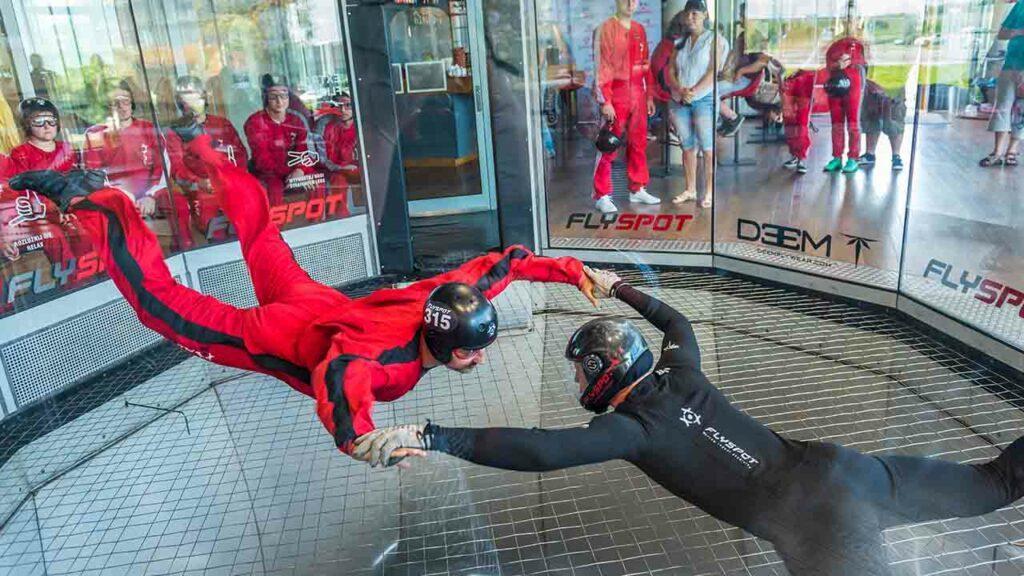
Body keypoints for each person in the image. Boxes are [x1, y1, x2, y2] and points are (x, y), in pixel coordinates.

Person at [360, 267, 1024, 575]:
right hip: (845, 471)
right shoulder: (682, 371)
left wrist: (432, 435)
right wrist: (619, 287)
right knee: (993, 486)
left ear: (607, 374)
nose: (578, 386)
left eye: (582, 373)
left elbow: (539, 451)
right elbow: (677, 321)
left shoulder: (629, 430)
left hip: (819, 528)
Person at [8, 125, 599, 461]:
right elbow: (342, 376)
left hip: (310, 300)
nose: (480, 357)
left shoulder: (433, 299)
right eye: (472, 351)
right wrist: (359, 436)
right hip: (274, 334)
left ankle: (204, 149)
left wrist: (569, 269)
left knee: (259, 231)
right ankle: (98, 199)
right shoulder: (390, 364)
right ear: (443, 347)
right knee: (155, 301)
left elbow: (499, 267)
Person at [591, 0, 661, 214]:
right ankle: (601, 194)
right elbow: (602, 66)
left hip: (637, 94)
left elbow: (645, 65)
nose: (631, 3)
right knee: (608, 145)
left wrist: (649, 96)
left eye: (635, 0)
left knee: (638, 143)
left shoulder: (640, 29)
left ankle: (637, 187)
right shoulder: (606, 29)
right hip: (616, 93)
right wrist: (606, 101)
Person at [164, 75, 249, 244]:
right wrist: (200, 182)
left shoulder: (222, 124)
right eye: (185, 96)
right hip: (202, 192)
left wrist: (233, 178)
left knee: (248, 222)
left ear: (204, 97)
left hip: (231, 185)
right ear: (180, 102)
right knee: (212, 229)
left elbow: (241, 155)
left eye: (195, 95)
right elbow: (178, 169)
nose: (192, 101)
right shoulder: (175, 132)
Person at [667, 0, 728, 208]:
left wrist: (693, 91)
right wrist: (679, 89)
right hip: (680, 99)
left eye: (696, 13)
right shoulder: (679, 42)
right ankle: (690, 189)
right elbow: (670, 71)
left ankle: (709, 191)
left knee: (708, 147)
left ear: (704, 16)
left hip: (704, 98)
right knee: (687, 146)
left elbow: (713, 71)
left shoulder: (715, 39)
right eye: (688, 13)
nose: (691, 17)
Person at [83, 79, 166, 216]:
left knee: (179, 205)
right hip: (117, 201)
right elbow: (94, 179)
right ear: (107, 105)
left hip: (151, 198)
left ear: (132, 102)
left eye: (125, 100)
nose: (121, 106)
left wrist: (150, 196)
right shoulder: (95, 135)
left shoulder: (148, 129)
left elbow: (163, 167)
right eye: (115, 102)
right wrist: (123, 198)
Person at [244, 73, 316, 207]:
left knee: (317, 181)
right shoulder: (255, 122)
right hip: (269, 174)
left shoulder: (296, 119)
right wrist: (291, 175)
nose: (279, 101)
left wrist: (300, 171)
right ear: (265, 98)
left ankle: (317, 222)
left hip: (294, 171)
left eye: (284, 95)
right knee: (274, 189)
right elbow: (262, 161)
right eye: (273, 97)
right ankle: (277, 227)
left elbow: (305, 151)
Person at [981, 0, 1024, 167]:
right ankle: (997, 152)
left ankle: (1012, 150)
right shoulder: (1020, 5)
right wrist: (1018, 32)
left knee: (1022, 111)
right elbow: (1002, 34)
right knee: (1002, 108)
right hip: (1011, 64)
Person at [823, 36, 868, 174]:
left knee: (853, 122)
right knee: (836, 122)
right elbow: (828, 64)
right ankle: (837, 156)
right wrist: (838, 65)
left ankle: (853, 157)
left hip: (853, 85)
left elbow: (864, 62)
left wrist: (851, 61)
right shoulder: (834, 45)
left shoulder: (859, 45)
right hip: (836, 85)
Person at [312, 93, 358, 217]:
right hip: (333, 170)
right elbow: (321, 157)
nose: (343, 110)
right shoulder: (325, 124)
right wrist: (339, 168)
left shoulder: (362, 124)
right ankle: (340, 221)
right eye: (339, 106)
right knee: (337, 180)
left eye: (348, 105)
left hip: (357, 169)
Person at [859, 79, 906, 171]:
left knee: (895, 115)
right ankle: (870, 153)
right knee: (871, 113)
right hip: (874, 78)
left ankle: (896, 155)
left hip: (895, 79)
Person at [780, 69, 816, 174]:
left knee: (802, 121)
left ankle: (801, 157)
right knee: (789, 121)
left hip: (805, 76)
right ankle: (795, 155)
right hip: (788, 77)